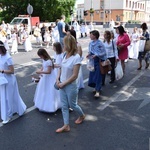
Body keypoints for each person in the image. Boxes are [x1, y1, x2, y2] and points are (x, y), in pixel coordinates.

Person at [55, 35, 85, 133]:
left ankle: (82, 115)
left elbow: (75, 75)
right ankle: (66, 125)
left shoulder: (76, 58)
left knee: (73, 105)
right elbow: (60, 68)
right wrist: (57, 79)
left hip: (70, 85)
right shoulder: (64, 55)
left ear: (69, 45)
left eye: (64, 43)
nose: (63, 45)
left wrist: (63, 83)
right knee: (64, 106)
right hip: (62, 84)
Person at [0, 41, 26, 124]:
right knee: (5, 97)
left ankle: (8, 115)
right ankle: (18, 108)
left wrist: (2, 71)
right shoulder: (0, 56)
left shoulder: (8, 58)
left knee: (8, 97)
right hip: (2, 79)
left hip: (8, 79)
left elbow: (12, 71)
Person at [33, 48, 61, 113]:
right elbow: (42, 67)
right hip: (44, 77)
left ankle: (51, 105)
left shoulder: (49, 61)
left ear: (43, 54)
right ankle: (42, 103)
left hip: (49, 77)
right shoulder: (44, 60)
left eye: (40, 56)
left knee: (50, 90)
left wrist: (41, 72)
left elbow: (49, 72)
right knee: (43, 90)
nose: (40, 57)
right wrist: (40, 71)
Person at [87, 30, 106, 98]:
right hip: (92, 61)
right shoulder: (90, 43)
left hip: (98, 61)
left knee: (98, 76)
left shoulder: (100, 43)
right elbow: (90, 51)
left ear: (94, 36)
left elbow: (104, 52)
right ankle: (95, 87)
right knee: (92, 75)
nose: (90, 36)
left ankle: (98, 91)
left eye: (91, 34)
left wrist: (97, 55)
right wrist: (88, 54)